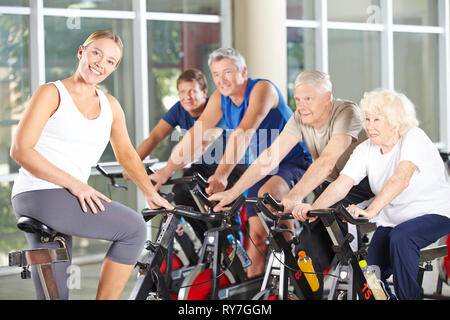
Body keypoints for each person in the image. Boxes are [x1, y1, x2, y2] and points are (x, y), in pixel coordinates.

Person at [9, 30, 173, 300]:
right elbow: (21, 150)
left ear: (114, 68)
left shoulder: (111, 106)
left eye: (110, 61)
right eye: (96, 53)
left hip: (65, 198)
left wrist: (150, 192)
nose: (100, 63)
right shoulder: (51, 93)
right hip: (39, 192)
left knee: (54, 294)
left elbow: (127, 155)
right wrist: (77, 185)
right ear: (81, 52)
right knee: (133, 228)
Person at [150, 48, 311, 278]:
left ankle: (297, 269)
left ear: (243, 71)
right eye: (216, 74)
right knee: (255, 236)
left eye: (227, 72)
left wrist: (222, 175)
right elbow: (196, 136)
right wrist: (165, 172)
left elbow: (244, 133)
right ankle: (251, 292)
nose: (220, 80)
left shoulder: (262, 89)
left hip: (293, 160)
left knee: (269, 196)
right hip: (261, 169)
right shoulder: (219, 98)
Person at [209, 70, 373, 287]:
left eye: (308, 99)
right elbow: (269, 157)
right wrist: (233, 192)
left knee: (331, 249)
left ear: (327, 97)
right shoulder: (300, 118)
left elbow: (327, 162)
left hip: (361, 185)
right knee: (305, 252)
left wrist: (295, 195)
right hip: (332, 186)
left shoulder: (347, 112)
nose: (301, 105)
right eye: (297, 99)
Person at [292, 89, 450, 300]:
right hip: (393, 221)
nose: (369, 126)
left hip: (434, 212)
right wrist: (315, 208)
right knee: (368, 274)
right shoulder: (366, 149)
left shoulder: (414, 137)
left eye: (377, 119)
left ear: (395, 121)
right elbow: (342, 184)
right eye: (367, 119)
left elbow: (401, 179)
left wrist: (370, 210)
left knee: (402, 238)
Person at [124, 68, 240, 241]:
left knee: (220, 207)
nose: (187, 96)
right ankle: (207, 244)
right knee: (181, 193)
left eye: (193, 91)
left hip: (230, 166)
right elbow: (155, 137)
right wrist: (131, 164)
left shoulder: (216, 108)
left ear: (204, 92)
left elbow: (202, 144)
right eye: (182, 92)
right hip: (204, 167)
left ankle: (233, 247)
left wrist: (166, 171)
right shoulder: (179, 109)